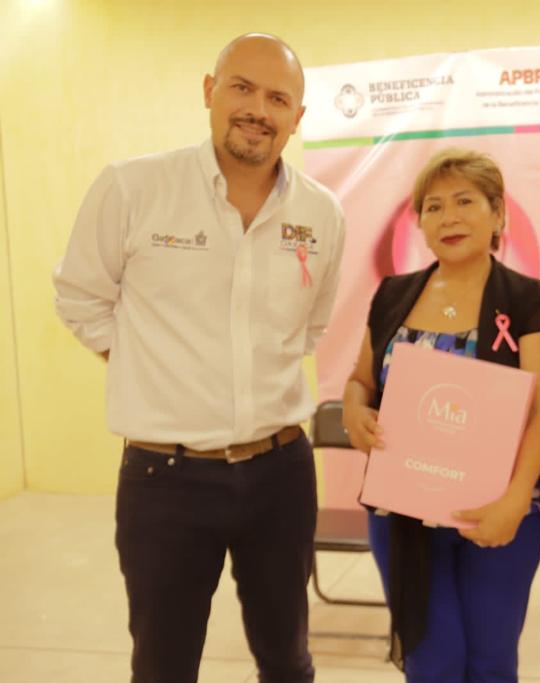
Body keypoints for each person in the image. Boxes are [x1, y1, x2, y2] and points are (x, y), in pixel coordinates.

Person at [53, 34, 346, 683]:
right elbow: (80, 298)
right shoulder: (134, 187)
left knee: (288, 660)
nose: (258, 110)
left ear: (298, 117)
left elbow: (308, 328)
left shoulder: (322, 214)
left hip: (281, 474)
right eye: (242, 88)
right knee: (164, 664)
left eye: (278, 98)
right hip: (165, 479)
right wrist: (150, 366)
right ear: (210, 91)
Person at [342, 148, 540, 683]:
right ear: (419, 222)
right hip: (403, 512)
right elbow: (361, 380)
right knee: (431, 663)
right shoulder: (393, 294)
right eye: (434, 207)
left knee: (490, 663)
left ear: (497, 213)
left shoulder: (528, 299)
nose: (449, 218)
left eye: (465, 201)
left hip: (499, 510)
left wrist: (514, 502)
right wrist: (352, 411)